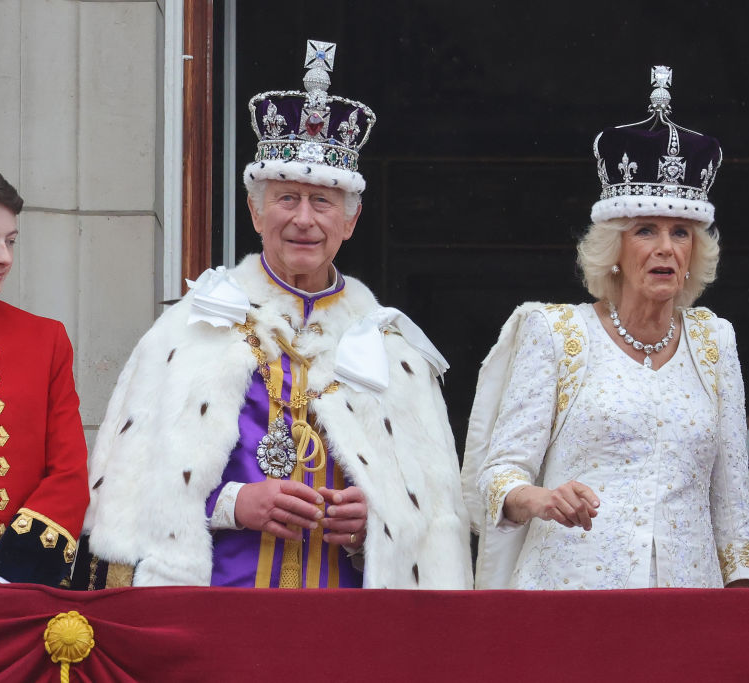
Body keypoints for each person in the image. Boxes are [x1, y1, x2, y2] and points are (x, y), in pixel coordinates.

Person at [76, 40, 472, 589]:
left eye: (323, 202)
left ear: (350, 222)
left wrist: (373, 522)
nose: (304, 219)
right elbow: (129, 485)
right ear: (256, 210)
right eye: (287, 198)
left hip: (343, 621)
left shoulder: (392, 347)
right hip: (218, 606)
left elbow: (430, 517)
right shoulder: (192, 326)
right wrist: (234, 502)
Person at [462, 66, 749, 589]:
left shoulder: (716, 341)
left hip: (687, 605)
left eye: (681, 233)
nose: (666, 247)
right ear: (615, 249)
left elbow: (731, 498)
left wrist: (742, 601)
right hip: (569, 597)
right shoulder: (554, 332)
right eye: (646, 230)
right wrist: (543, 499)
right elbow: (497, 474)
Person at [0, 163, 88, 585]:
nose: (4, 257)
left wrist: (4, 579)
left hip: (6, 597)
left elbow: (68, 474)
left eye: (10, 241)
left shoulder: (43, 340)